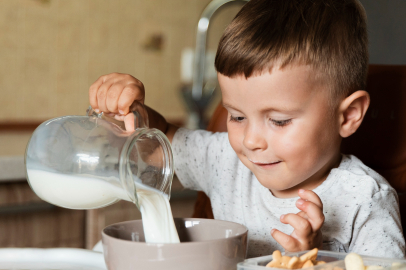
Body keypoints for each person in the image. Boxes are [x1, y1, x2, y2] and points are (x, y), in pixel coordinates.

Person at [88, 0, 405, 258]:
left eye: (279, 121)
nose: (250, 141)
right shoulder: (225, 160)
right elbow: (157, 146)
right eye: (237, 116)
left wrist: (313, 258)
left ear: (347, 116)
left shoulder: (365, 200)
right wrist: (131, 110)